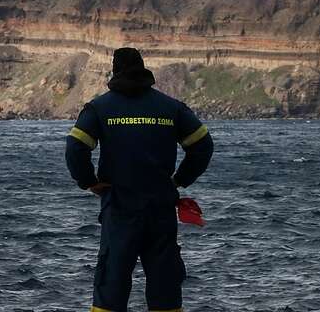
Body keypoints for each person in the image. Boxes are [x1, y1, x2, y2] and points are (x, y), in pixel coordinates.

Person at [65, 47, 214, 312]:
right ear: (143, 68)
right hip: (160, 207)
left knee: (112, 279)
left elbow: (76, 149)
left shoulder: (99, 108)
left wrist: (90, 182)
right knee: (164, 281)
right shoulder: (171, 107)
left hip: (120, 206)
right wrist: (179, 180)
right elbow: (202, 146)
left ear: (115, 70)